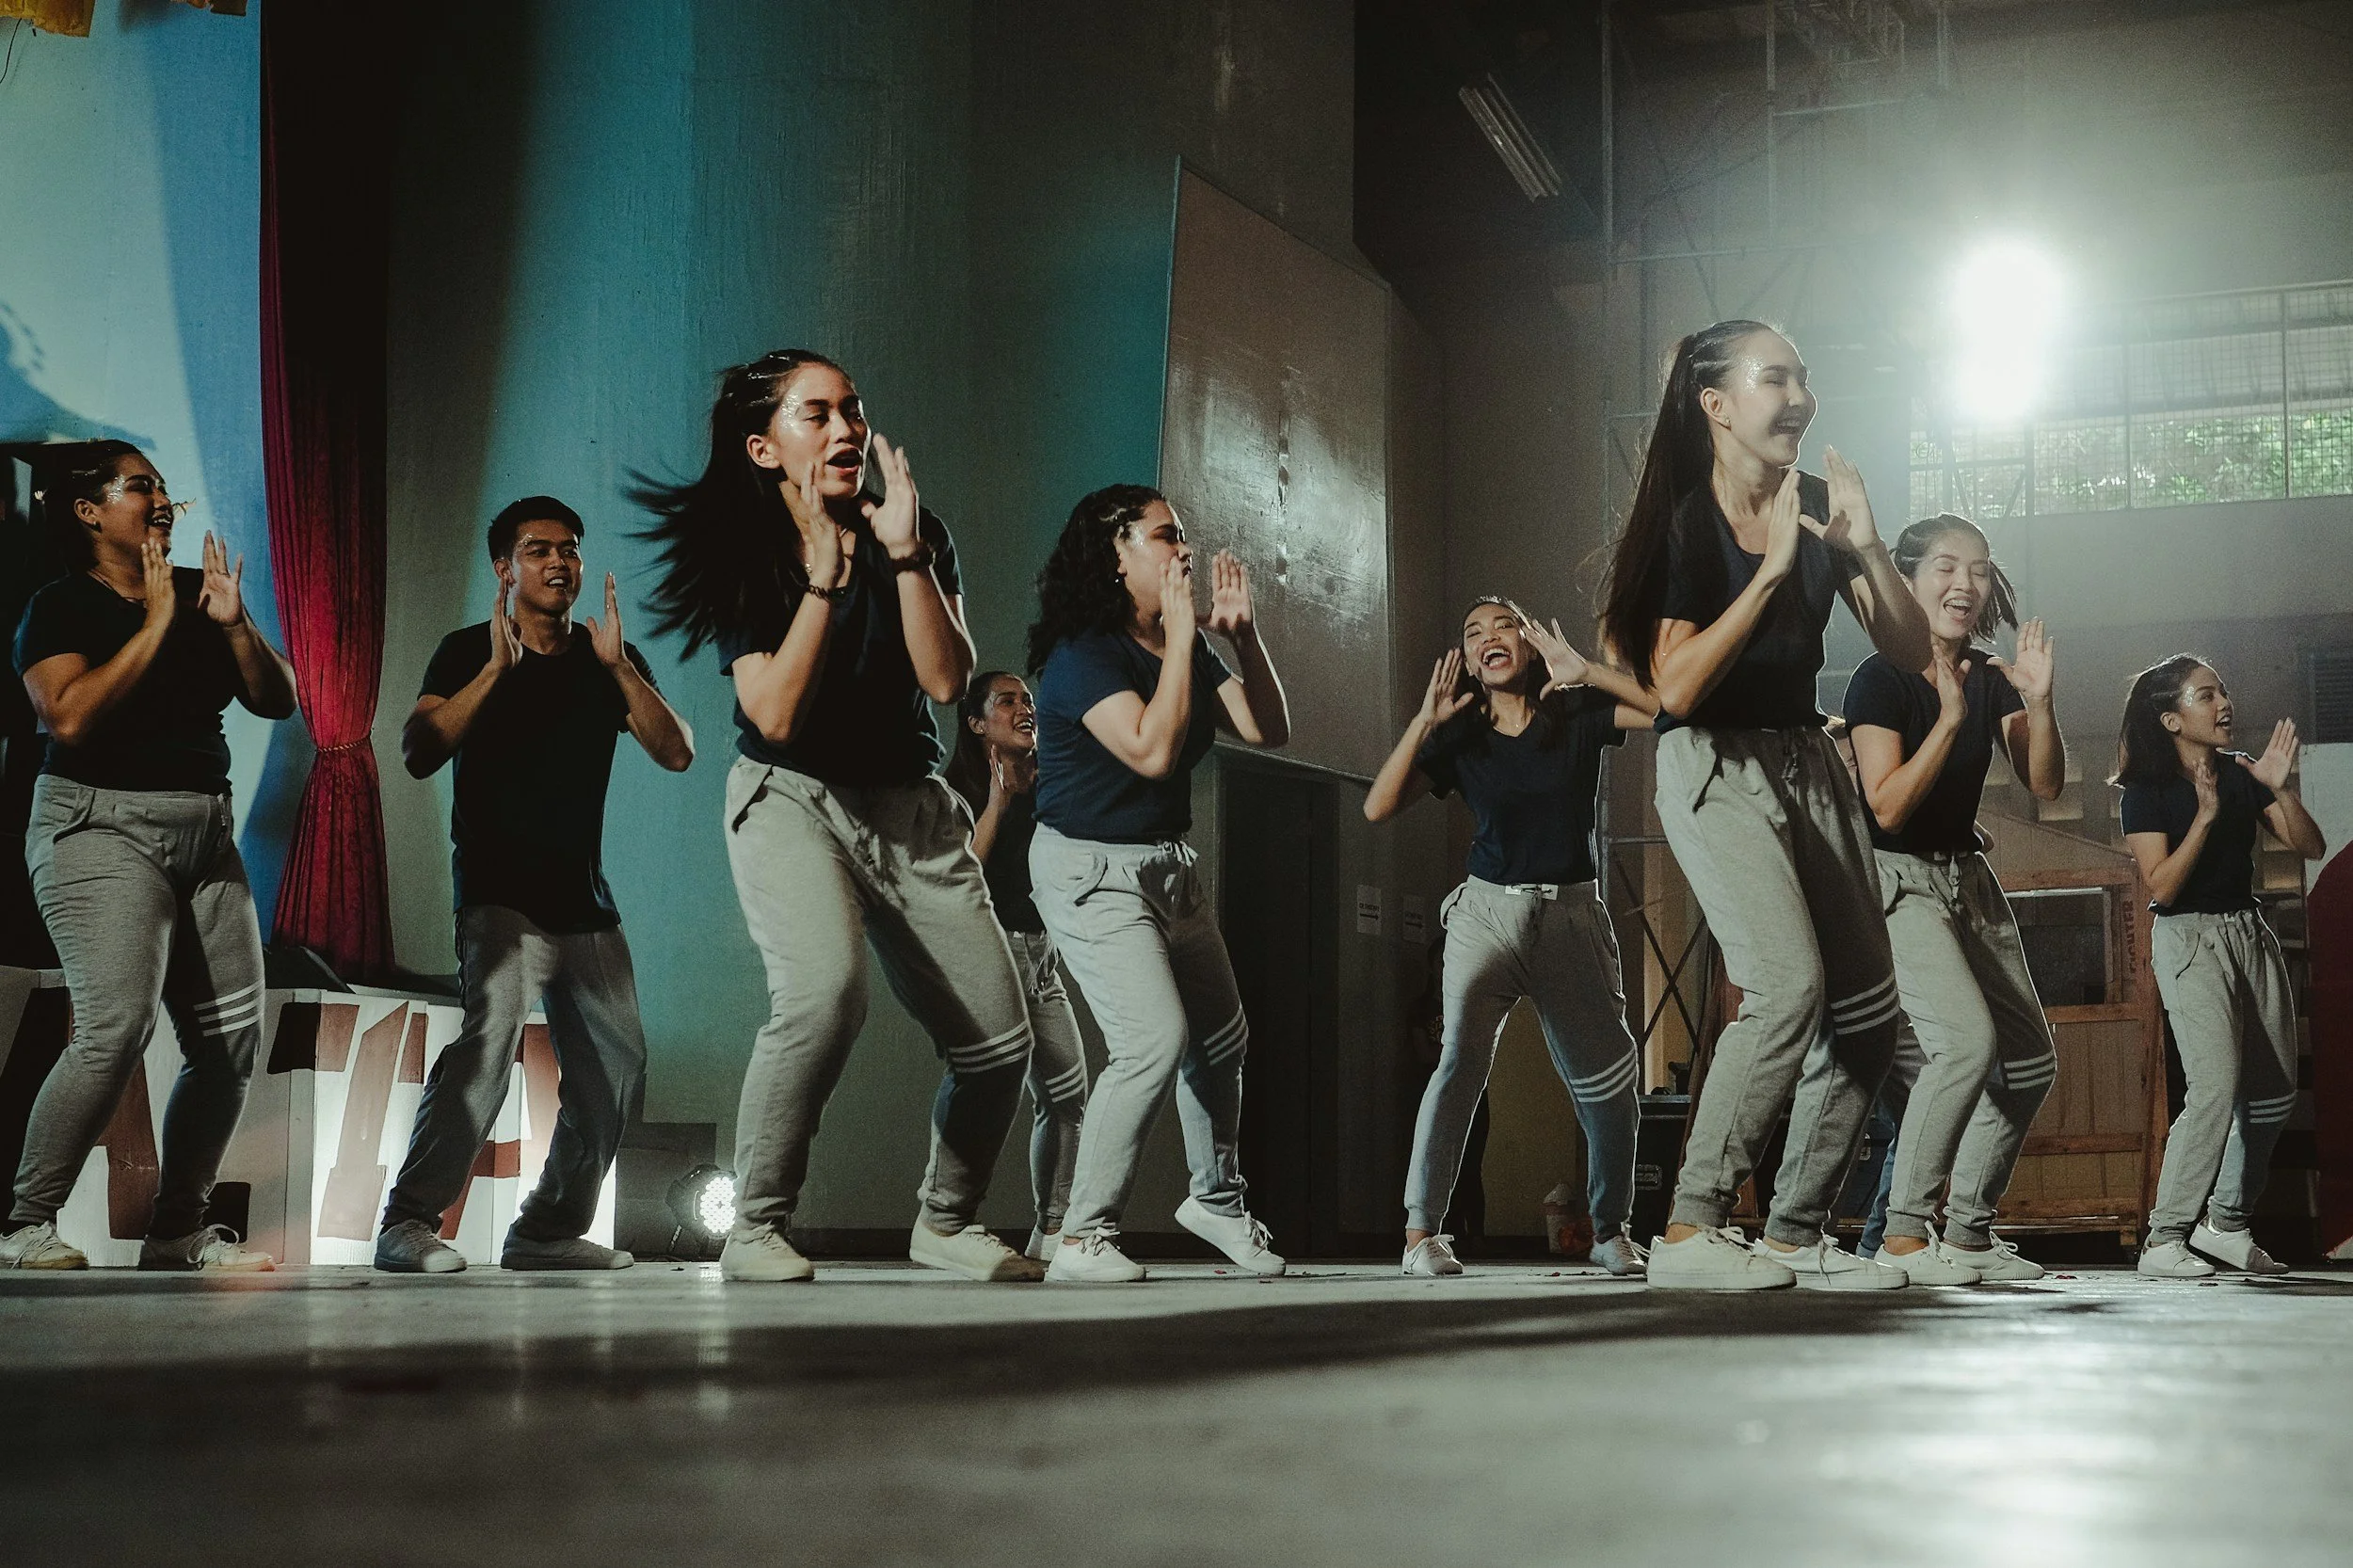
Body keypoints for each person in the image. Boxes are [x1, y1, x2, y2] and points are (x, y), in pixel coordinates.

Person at [636, 349, 1039, 1284]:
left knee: (999, 1042)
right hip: (792, 796)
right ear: (764, 447)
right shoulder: (746, 552)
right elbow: (774, 714)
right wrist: (821, 581)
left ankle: (946, 1221)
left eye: (852, 409)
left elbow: (947, 681)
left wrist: (905, 554)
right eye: (815, 414)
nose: (846, 428)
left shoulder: (913, 530)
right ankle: (756, 1226)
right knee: (823, 998)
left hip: (910, 804)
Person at [1596, 319, 1933, 1291]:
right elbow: (1675, 688)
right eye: (1775, 378)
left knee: (1868, 1008)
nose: (1799, 397)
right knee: (1785, 986)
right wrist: (1775, 572)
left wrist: (1867, 550)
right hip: (1714, 764)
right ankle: (1690, 1228)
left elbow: (1910, 652)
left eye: (1804, 378)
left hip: (1805, 761)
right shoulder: (1686, 525)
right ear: (1717, 403)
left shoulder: (1816, 506)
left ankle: (1793, 1232)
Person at [374, 497, 694, 1273]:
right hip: (498, 893)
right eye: (539, 550)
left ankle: (547, 1229)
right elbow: (419, 750)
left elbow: (677, 751)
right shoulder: (466, 649)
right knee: (486, 1052)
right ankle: (407, 1225)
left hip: (583, 899)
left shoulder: (607, 656)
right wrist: (494, 671)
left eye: (570, 549)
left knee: (618, 1068)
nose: (559, 562)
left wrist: (620, 669)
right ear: (505, 569)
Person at [0, 441, 296, 1272]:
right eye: (140, 487)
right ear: (90, 512)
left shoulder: (202, 593)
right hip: (98, 826)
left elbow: (277, 699)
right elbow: (69, 717)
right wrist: (156, 624)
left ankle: (177, 1232)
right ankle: (24, 1224)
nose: (161, 500)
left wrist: (234, 625)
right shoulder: (60, 606)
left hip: (205, 834)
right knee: (117, 1025)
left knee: (230, 1043)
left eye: (164, 488)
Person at [1023, 484, 1291, 1283]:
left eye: (1182, 533)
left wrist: (1243, 641)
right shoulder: (1082, 656)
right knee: (1151, 1041)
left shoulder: (1186, 646)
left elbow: (1268, 729)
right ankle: (1081, 1237)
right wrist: (1181, 638)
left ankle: (1216, 1201)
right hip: (1089, 867)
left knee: (1222, 1038)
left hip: (1168, 867)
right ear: (1116, 555)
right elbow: (1151, 751)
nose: (1185, 548)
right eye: (1166, 534)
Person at [1363, 598, 1657, 1278]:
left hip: (1571, 915)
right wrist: (1424, 722)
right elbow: (1378, 806)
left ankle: (1610, 1230)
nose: (1489, 637)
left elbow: (1669, 707)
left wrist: (1587, 670)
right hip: (1486, 913)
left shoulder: (1575, 712)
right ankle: (1420, 1236)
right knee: (1458, 1063)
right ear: (1469, 661)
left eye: (1505, 626)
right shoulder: (1460, 735)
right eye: (1474, 632)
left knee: (1610, 1079)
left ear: (1529, 646)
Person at [1842, 515, 2064, 1285]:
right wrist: (1949, 719)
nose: (1964, 583)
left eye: (1978, 568)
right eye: (1945, 567)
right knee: (1965, 1045)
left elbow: (2044, 784)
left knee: (2029, 1062)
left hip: (1967, 880)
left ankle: (1968, 1234)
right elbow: (1888, 807)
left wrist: (2039, 703)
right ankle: (1904, 1237)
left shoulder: (1992, 675)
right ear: (1906, 582)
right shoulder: (1879, 678)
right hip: (1896, 878)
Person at [2116, 655, 2326, 1278]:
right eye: (2206, 695)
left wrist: (2277, 787)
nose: (2224, 703)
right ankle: (2164, 1239)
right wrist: (2205, 817)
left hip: (2248, 933)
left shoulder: (2241, 772)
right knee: (2213, 1088)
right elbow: (2163, 885)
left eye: (2223, 691)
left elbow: (2310, 846)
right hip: (2189, 939)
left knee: (2274, 1094)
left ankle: (2227, 1223)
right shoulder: (2144, 793)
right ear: (2172, 719)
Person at [944, 669, 1090, 1263]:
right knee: (982, 1086)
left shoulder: (1048, 780)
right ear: (977, 723)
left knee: (1068, 1093)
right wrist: (999, 800)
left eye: (1027, 699)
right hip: (989, 950)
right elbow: (961, 874)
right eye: (1007, 701)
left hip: (1040, 954)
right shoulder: (955, 787)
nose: (1024, 707)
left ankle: (1052, 1229)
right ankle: (948, 1219)